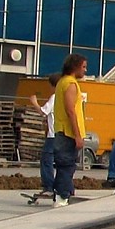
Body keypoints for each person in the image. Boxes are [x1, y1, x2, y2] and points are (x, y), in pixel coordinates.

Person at [52, 54, 88, 207]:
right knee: (67, 165)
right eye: (84, 67)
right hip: (68, 132)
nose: (85, 70)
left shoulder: (61, 82)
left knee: (62, 165)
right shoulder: (71, 84)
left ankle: (61, 195)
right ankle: (62, 197)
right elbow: (70, 110)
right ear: (75, 66)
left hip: (60, 129)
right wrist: (78, 135)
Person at [27, 73, 60, 199]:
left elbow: (43, 112)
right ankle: (63, 188)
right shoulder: (66, 97)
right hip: (63, 135)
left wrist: (34, 102)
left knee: (46, 160)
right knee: (62, 163)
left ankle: (49, 187)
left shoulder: (55, 97)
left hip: (53, 136)